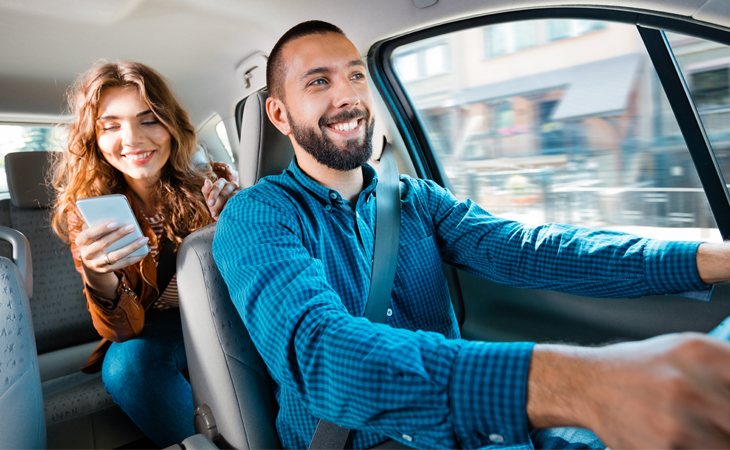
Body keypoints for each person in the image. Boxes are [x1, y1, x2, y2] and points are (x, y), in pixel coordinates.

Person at [213, 21, 730, 449]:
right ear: (279, 114)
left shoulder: (416, 198)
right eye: (318, 82)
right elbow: (323, 354)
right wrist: (583, 383)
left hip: (479, 430)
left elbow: (531, 251)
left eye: (355, 75)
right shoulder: (257, 217)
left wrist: (711, 258)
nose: (348, 97)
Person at [51, 61, 239, 447]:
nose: (132, 139)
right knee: (126, 368)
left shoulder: (213, 181)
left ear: (172, 126)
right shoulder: (85, 213)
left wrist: (235, 223)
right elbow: (123, 331)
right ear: (94, 138)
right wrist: (98, 272)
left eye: (149, 119)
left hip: (221, 311)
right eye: (111, 125)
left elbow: (246, 280)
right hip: (155, 328)